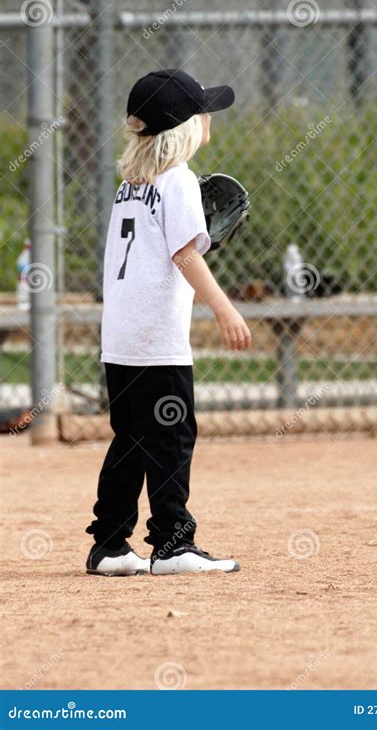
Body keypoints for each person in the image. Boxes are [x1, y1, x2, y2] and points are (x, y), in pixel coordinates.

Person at [86, 69, 251, 576]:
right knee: (172, 438)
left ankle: (110, 545)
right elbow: (183, 255)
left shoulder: (130, 185)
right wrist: (225, 307)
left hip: (120, 339)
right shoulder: (178, 181)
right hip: (158, 342)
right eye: (204, 112)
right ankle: (174, 544)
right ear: (186, 127)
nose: (209, 119)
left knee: (130, 440)